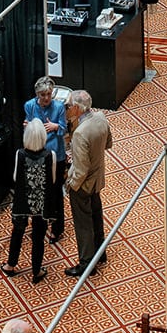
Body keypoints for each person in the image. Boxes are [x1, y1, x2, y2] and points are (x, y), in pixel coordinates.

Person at [0, 119, 59, 284]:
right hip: (41, 203)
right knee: (38, 238)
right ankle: (36, 270)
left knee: (17, 232)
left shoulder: (20, 154)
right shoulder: (50, 155)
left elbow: (14, 177)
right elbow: (52, 179)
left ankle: (11, 264)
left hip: (22, 201)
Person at [63, 89, 112, 276]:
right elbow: (108, 143)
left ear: (76, 108)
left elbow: (81, 170)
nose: (67, 109)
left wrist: (71, 185)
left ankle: (86, 264)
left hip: (83, 184)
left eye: (68, 106)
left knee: (83, 224)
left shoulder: (80, 133)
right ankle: (101, 253)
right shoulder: (100, 118)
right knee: (96, 216)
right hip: (98, 177)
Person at [23, 77, 69, 242]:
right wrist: (28, 127)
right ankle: (40, 223)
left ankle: (58, 228)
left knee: (56, 192)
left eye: (49, 94)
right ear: (37, 95)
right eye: (43, 95)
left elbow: (64, 129)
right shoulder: (30, 106)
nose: (47, 98)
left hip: (56, 155)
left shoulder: (59, 107)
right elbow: (29, 126)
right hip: (37, 154)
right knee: (39, 190)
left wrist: (56, 127)